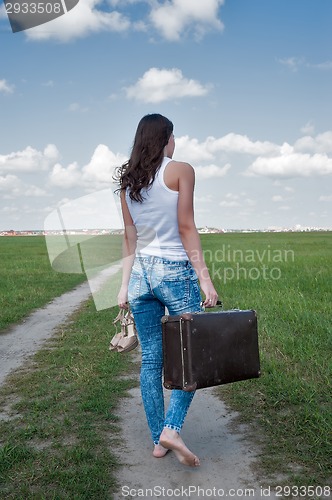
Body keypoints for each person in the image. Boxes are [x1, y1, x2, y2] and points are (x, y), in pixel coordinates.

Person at [115, 113, 218, 467]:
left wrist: (123, 286)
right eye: (174, 137)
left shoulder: (129, 182)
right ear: (166, 139)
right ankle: (171, 429)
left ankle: (158, 440)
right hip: (175, 271)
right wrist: (204, 277)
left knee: (151, 361)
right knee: (192, 354)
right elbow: (186, 225)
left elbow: (130, 238)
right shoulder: (180, 169)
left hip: (142, 274)